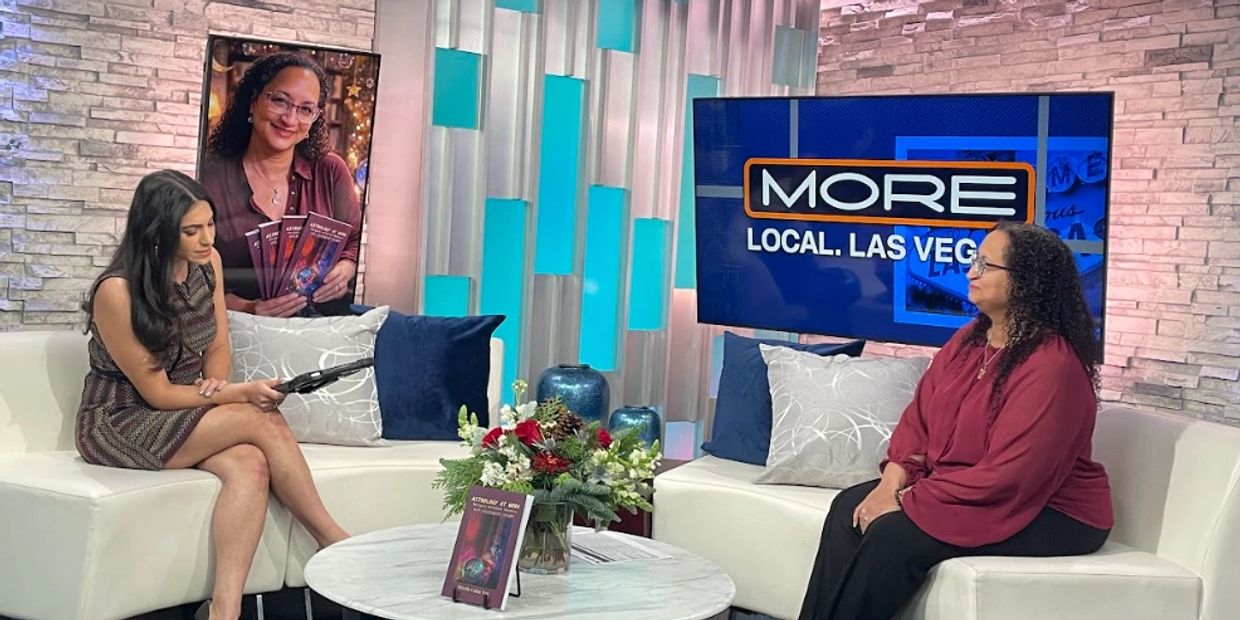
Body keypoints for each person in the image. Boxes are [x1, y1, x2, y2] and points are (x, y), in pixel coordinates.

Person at [798, 222, 1114, 620]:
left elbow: (1011, 476)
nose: (970, 272)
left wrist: (905, 500)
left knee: (892, 535)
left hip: (1049, 509)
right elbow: (918, 421)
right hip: (961, 488)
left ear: (1026, 281)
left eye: (985, 265)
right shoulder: (969, 340)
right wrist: (889, 486)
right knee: (849, 508)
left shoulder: (1052, 366)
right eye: (973, 261)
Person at [76, 170, 350, 620]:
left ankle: (224, 610)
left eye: (210, 224)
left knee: (250, 462)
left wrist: (217, 384)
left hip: (185, 411)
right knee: (259, 416)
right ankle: (334, 541)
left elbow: (218, 346)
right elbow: (158, 393)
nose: (208, 239)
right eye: (192, 231)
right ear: (158, 232)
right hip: (122, 420)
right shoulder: (117, 291)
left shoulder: (209, 264)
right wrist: (234, 395)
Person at [201, 51, 362, 317]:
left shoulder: (330, 170)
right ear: (253, 102)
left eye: (305, 109)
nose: (290, 119)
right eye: (280, 101)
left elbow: (355, 240)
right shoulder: (208, 177)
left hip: (319, 327)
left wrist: (346, 268)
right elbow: (187, 276)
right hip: (234, 328)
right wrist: (248, 308)